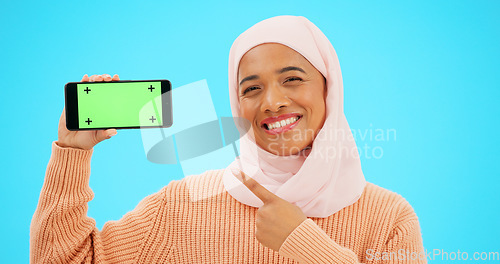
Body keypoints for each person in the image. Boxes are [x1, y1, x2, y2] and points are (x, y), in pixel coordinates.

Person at [31, 15, 426, 263]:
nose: (272, 102)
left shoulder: (389, 218)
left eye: (292, 79)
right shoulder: (182, 206)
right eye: (251, 89)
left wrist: (305, 244)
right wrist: (73, 151)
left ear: (330, 90)